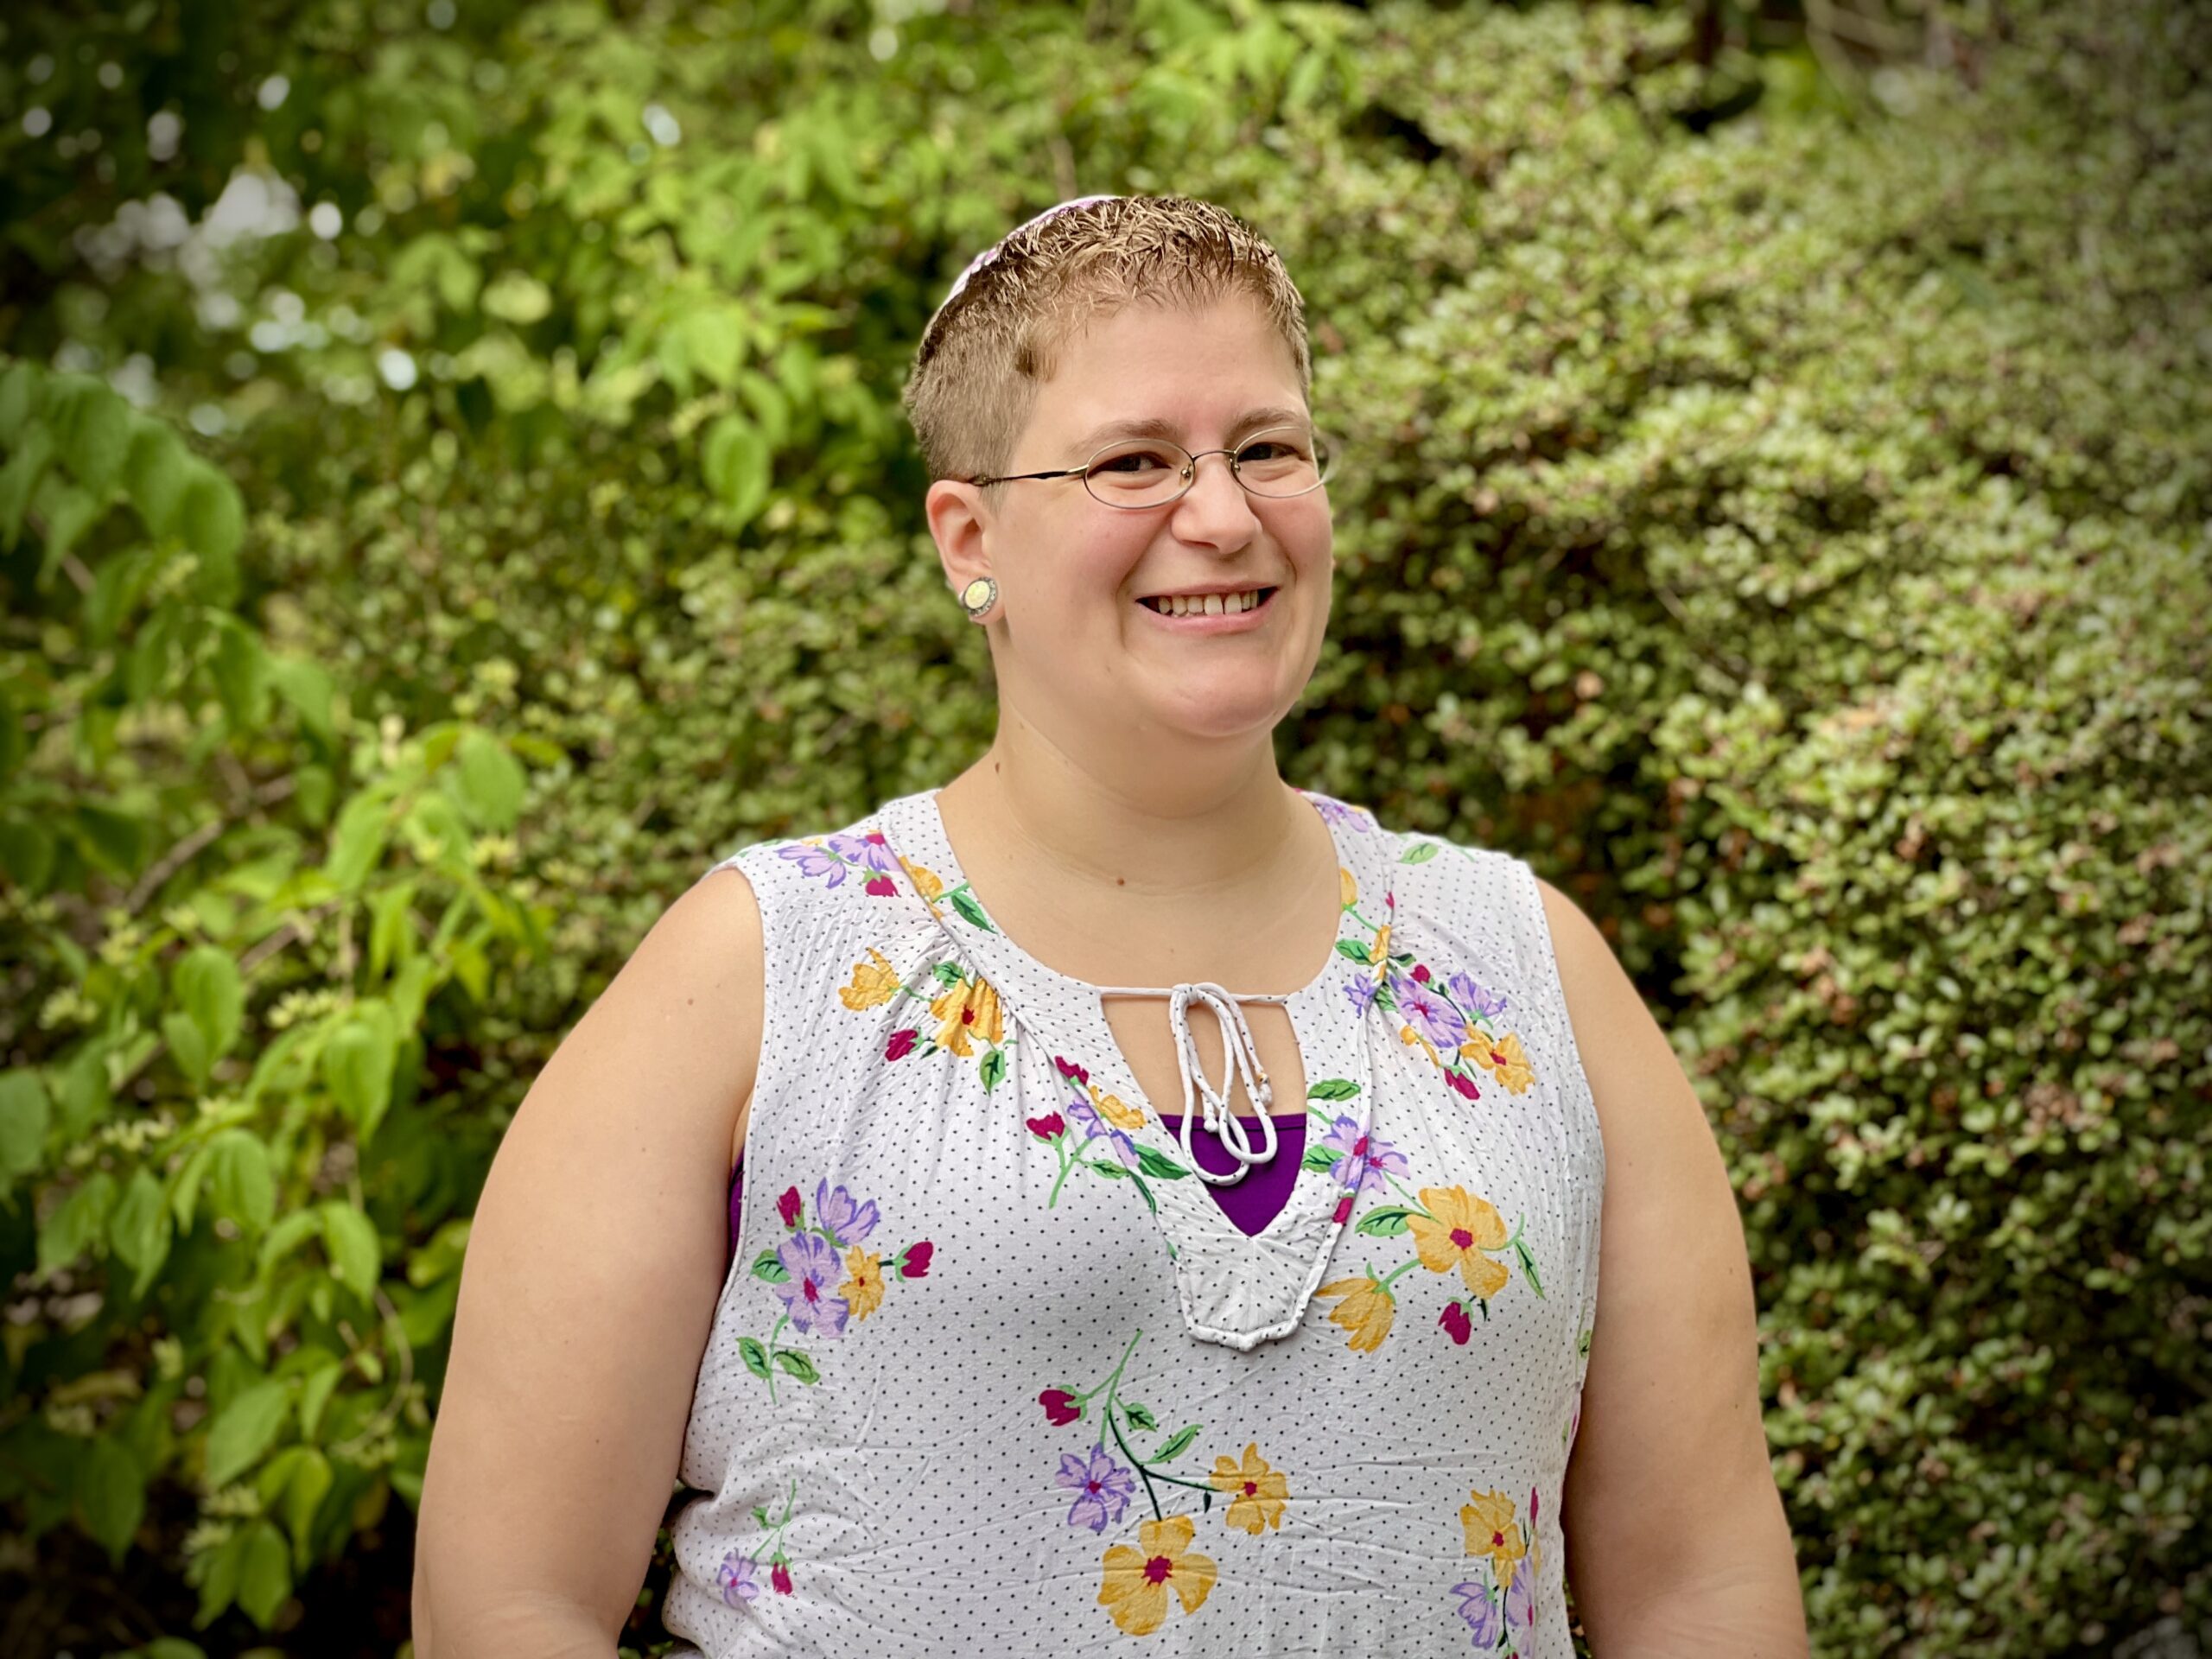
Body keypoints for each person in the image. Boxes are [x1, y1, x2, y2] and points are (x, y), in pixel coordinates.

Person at [412, 195, 1808, 1657]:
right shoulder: (760, 975)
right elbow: (504, 1604)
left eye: (1267, 449)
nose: (1223, 515)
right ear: (970, 537)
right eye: (1135, 461)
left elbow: (1699, 1587)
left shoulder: (1530, 969)